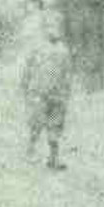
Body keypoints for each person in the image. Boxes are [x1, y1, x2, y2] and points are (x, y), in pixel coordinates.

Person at [21, 9, 72, 170]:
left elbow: (67, 72)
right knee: (36, 123)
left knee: (55, 125)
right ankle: (30, 149)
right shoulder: (36, 48)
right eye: (50, 27)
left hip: (57, 94)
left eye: (57, 27)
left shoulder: (64, 50)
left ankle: (53, 158)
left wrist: (67, 91)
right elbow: (27, 69)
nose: (54, 31)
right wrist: (25, 86)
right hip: (38, 92)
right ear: (44, 29)